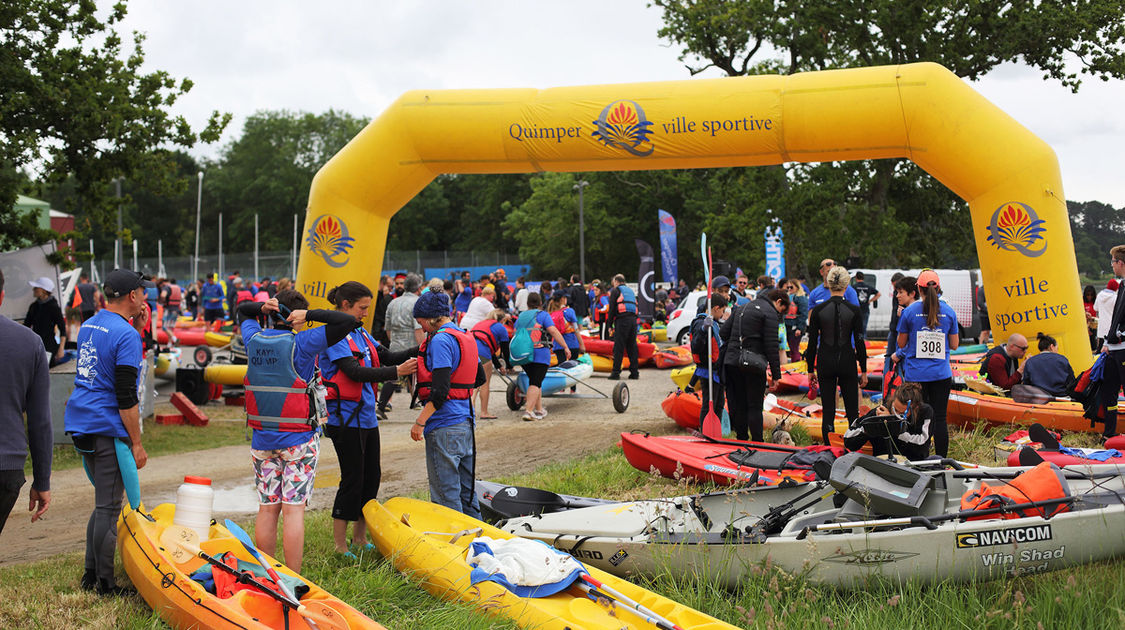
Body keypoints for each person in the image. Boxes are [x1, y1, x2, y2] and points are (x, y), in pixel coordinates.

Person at [239, 289, 355, 572]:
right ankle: (290, 577)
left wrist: (261, 307)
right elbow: (346, 322)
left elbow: (243, 309)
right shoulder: (303, 342)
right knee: (293, 510)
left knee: (268, 508)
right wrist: (312, 315)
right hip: (298, 442)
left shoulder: (253, 338)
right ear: (296, 316)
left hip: (262, 439)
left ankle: (268, 575)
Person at [64, 269, 150, 595]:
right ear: (132, 297)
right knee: (109, 508)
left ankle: (90, 575)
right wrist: (137, 443)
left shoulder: (90, 324)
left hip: (80, 420)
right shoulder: (125, 335)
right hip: (105, 426)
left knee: (103, 504)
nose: (144, 298)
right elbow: (126, 394)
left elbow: (103, 360)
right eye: (142, 292)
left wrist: (137, 330)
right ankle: (105, 584)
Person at [319, 281, 417, 556]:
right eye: (362, 308)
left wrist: (419, 349)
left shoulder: (359, 332)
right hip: (345, 419)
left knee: (371, 476)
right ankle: (340, 546)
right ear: (345, 306)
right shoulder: (334, 336)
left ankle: (359, 539)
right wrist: (396, 372)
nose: (365, 313)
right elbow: (354, 372)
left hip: (366, 417)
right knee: (352, 478)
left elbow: (385, 355)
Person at [409, 288, 486, 517]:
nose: (421, 327)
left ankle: (454, 548)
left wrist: (420, 422)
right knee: (467, 493)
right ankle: (481, 544)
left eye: (421, 321)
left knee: (446, 496)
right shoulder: (465, 336)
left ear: (432, 317)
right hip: (466, 424)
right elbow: (479, 378)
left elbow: (440, 390)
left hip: (444, 426)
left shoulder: (441, 340)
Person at [0, 269, 52, 541]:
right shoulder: (30, 343)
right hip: (6, 468)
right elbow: (40, 420)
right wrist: (42, 480)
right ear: (2, 296)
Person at [893, 269, 959, 457]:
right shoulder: (949, 312)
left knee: (916, 416)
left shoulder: (910, 312)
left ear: (918, 289)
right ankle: (941, 459)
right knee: (939, 418)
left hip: (916, 376)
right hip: (940, 375)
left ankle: (918, 456)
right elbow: (954, 345)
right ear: (939, 288)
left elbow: (901, 343)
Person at [805, 266, 868, 444]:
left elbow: (811, 344)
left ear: (829, 284)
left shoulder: (818, 310)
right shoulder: (855, 310)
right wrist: (863, 370)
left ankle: (829, 448)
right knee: (852, 411)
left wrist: (810, 369)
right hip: (847, 360)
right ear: (847, 285)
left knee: (829, 410)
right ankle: (852, 446)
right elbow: (860, 343)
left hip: (825, 361)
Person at [720, 288, 789, 441]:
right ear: (778, 302)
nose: (780, 314)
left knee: (738, 404)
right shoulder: (770, 313)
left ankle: (741, 439)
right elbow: (772, 346)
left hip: (732, 362)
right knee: (754, 406)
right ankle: (757, 442)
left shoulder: (741, 308)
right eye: (781, 311)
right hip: (753, 364)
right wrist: (776, 375)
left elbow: (723, 332)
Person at [843, 382, 932, 460]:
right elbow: (849, 441)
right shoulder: (880, 411)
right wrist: (869, 428)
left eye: (902, 413)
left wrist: (892, 425)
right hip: (883, 465)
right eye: (895, 409)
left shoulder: (925, 412)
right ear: (892, 401)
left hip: (913, 465)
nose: (897, 414)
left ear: (915, 408)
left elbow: (922, 447)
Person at [517, 292, 570, 420]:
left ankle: (539, 410)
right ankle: (528, 411)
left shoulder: (521, 316)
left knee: (535, 381)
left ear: (527, 303)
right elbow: (553, 331)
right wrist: (565, 346)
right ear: (540, 303)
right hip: (540, 353)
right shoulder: (543, 315)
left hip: (524, 354)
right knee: (535, 382)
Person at [379, 273, 425, 417]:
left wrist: (394, 342)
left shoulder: (393, 302)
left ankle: (381, 406)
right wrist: (423, 347)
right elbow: (418, 329)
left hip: (395, 345)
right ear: (418, 288)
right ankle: (420, 402)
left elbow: (388, 328)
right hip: (411, 345)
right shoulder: (417, 302)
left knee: (393, 376)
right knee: (418, 373)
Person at [1098, 245, 1125, 442]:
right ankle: (1109, 432)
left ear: (1120, 263)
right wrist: (1107, 341)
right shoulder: (1122, 285)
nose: (1112, 267)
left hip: (1124, 348)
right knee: (1109, 392)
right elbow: (1116, 315)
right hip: (1114, 347)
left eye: (1112, 263)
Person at [690, 294, 727, 430]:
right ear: (716, 308)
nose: (723, 315)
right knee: (709, 404)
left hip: (717, 371)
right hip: (708, 371)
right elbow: (696, 346)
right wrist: (703, 330)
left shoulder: (715, 323)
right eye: (722, 311)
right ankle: (705, 431)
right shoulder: (700, 323)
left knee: (719, 404)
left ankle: (714, 430)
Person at [470, 309, 512, 420]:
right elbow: (505, 350)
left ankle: (470, 409)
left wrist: (499, 366)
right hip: (482, 353)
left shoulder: (480, 324)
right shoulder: (501, 328)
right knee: (484, 383)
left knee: (473, 383)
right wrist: (509, 366)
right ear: (502, 320)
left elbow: (490, 349)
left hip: (469, 352)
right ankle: (484, 412)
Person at [24, 276, 68, 367]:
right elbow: (26, 326)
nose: (34, 290)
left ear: (44, 290)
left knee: (47, 371)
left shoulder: (53, 307)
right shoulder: (34, 306)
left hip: (49, 347)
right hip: (35, 346)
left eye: (36, 288)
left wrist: (61, 349)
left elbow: (62, 328)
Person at [548, 290, 586, 392]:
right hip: (572, 344)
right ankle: (573, 390)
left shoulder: (551, 313)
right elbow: (576, 329)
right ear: (562, 299)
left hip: (558, 345)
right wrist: (581, 344)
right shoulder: (569, 311)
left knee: (562, 368)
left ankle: (561, 389)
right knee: (573, 368)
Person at [1021, 333, 1075, 397]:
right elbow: (1071, 382)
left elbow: (1026, 384)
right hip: (1061, 398)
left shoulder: (1030, 362)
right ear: (1052, 347)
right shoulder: (1062, 359)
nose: (1057, 351)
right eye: (1057, 348)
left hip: (1039, 400)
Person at [607, 274, 639, 380]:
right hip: (633, 321)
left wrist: (609, 325)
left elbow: (611, 309)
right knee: (632, 346)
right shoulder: (630, 291)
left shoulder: (616, 291)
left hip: (622, 320)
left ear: (616, 281)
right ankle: (634, 373)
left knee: (619, 347)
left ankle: (615, 373)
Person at [781, 278, 808, 363]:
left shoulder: (801, 298)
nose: (789, 289)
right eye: (788, 287)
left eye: (791, 287)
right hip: (787, 326)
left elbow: (804, 315)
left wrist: (799, 328)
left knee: (794, 349)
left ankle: (796, 367)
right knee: (791, 349)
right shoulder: (788, 297)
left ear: (797, 287)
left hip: (795, 327)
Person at [852, 271, 880, 336]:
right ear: (863, 278)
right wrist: (870, 300)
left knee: (856, 328)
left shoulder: (854, 287)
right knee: (863, 328)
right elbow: (878, 294)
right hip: (865, 310)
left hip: (856, 310)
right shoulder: (868, 287)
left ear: (856, 278)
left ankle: (856, 343)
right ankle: (864, 342)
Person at [1095, 279, 1119, 350]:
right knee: (1111, 350)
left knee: (1100, 349)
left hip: (1101, 329)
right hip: (1111, 329)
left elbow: (1095, 308)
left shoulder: (1099, 295)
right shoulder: (1115, 298)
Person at [371, 275, 393, 346]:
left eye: (392, 287)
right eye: (389, 286)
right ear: (382, 284)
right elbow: (378, 317)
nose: (391, 289)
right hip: (379, 333)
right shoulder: (379, 297)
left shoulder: (385, 297)